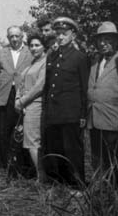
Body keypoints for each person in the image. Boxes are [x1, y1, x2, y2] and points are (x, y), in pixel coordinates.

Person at [42, 17, 88, 190]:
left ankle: (78, 185)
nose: (60, 37)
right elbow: (49, 85)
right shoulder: (52, 56)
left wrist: (83, 114)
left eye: (64, 34)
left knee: (73, 151)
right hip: (54, 112)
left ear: (73, 35)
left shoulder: (79, 58)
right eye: (58, 34)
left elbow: (84, 88)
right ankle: (61, 183)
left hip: (71, 113)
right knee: (56, 149)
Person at [87, 22, 118, 171]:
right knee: (97, 157)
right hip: (94, 117)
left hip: (113, 119)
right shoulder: (95, 61)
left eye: (107, 40)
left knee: (114, 159)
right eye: (100, 40)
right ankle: (98, 189)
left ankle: (114, 190)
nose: (103, 44)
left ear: (116, 41)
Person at [0, 26, 32, 169]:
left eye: (17, 36)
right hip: (4, 96)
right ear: (8, 38)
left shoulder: (30, 52)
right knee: (3, 131)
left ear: (22, 37)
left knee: (22, 130)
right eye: (11, 36)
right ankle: (2, 164)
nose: (14, 39)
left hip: (22, 95)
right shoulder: (0, 54)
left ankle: (22, 164)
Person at [15, 33, 46, 180]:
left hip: (36, 105)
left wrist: (22, 102)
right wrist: (18, 99)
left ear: (44, 46)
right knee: (29, 140)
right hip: (26, 105)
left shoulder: (45, 62)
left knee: (33, 141)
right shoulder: (32, 62)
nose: (33, 48)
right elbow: (21, 84)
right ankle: (39, 173)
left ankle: (42, 176)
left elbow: (39, 87)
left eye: (37, 45)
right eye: (31, 45)